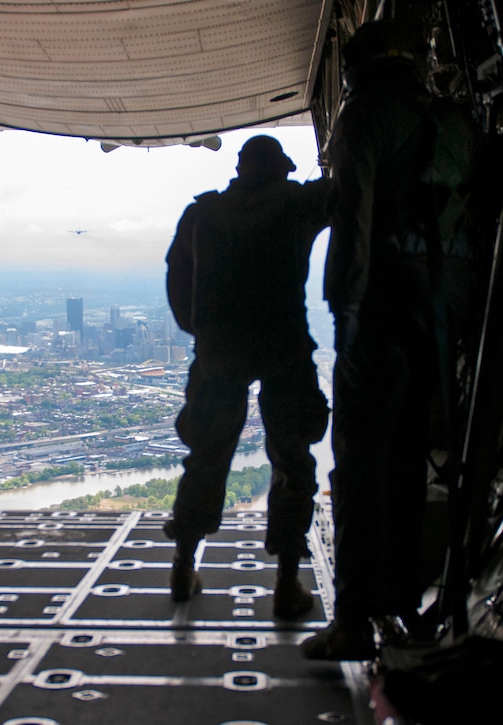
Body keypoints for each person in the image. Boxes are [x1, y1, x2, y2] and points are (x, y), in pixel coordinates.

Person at [301, 20, 477, 659]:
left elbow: (353, 222)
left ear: (357, 71)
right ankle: (403, 603)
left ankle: (351, 621)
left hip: (381, 308)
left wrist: (344, 311)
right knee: (407, 460)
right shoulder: (459, 124)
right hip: (443, 311)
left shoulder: (365, 119)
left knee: (358, 463)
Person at [163, 135, 330, 620]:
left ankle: (182, 567)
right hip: (285, 347)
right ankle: (285, 584)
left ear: (239, 169)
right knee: (293, 459)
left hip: (220, 351)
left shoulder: (203, 213)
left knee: (207, 456)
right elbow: (347, 192)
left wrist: (202, 330)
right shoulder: (298, 204)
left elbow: (177, 276)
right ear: (279, 169)